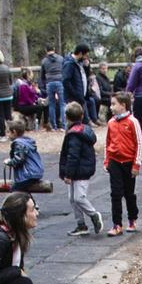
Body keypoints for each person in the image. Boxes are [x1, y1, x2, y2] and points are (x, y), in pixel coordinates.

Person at [59, 101, 103, 237]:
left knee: (79, 197)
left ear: (66, 117)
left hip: (79, 170)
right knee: (72, 198)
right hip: (81, 168)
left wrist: (68, 174)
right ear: (82, 115)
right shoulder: (84, 130)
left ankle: (94, 214)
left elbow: (73, 156)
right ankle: (81, 224)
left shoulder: (74, 135)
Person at [104, 89, 142, 235]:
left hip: (128, 162)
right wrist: (107, 160)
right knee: (115, 193)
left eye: (114, 104)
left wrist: (136, 164)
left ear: (123, 105)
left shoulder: (133, 122)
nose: (111, 107)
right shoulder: (111, 123)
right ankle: (117, 224)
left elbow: (139, 143)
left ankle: (132, 218)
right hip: (115, 161)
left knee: (129, 193)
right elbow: (107, 142)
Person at [6, 119, 48, 193]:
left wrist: (9, 162)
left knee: (15, 192)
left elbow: (19, 159)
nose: (7, 134)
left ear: (14, 132)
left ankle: (30, 204)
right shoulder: (27, 141)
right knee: (24, 192)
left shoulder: (19, 143)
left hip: (27, 174)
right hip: (34, 172)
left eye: (8, 132)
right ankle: (31, 204)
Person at [39, 46, 64, 131]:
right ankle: (63, 125)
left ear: (46, 50)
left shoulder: (44, 61)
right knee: (62, 104)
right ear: (54, 49)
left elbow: (42, 75)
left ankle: (53, 126)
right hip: (60, 81)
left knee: (51, 104)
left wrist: (43, 85)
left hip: (49, 82)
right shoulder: (61, 59)